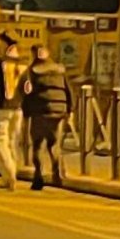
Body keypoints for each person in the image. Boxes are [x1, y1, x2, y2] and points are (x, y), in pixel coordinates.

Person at [25, 44, 73, 190]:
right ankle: (56, 172)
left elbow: (28, 92)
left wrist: (26, 112)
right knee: (54, 144)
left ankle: (38, 176)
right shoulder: (60, 70)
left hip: (40, 110)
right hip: (59, 111)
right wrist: (70, 110)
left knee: (38, 144)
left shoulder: (32, 71)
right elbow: (69, 90)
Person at [0, 40, 30, 190]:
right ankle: (9, 176)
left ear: (8, 47)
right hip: (18, 107)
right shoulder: (25, 65)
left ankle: (9, 173)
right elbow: (28, 88)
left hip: (0, 106)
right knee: (12, 142)